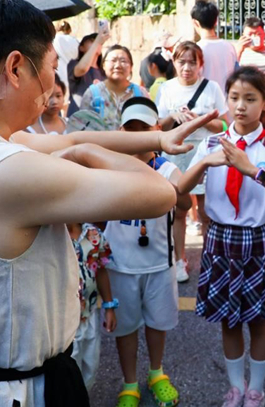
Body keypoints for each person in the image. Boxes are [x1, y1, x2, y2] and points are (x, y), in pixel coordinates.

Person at [0, 0, 217, 406]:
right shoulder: (5, 170)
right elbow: (160, 193)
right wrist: (83, 158)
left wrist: (156, 138)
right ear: (15, 68)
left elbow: (71, 137)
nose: (50, 87)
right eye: (49, 69)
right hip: (8, 393)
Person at [178, 66, 265, 407]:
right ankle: (235, 387)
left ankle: (256, 390)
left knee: (259, 320)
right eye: (234, 98)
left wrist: (251, 169)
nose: (241, 106)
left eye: (250, 98)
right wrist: (204, 164)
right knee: (228, 320)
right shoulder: (212, 143)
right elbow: (179, 190)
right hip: (219, 239)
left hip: (258, 239)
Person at [105, 97, 189, 407]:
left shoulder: (165, 167)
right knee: (125, 328)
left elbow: (186, 203)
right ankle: (129, 383)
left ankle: (156, 373)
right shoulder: (108, 164)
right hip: (120, 264)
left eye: (145, 128)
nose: (139, 135)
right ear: (120, 131)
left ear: (157, 129)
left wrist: (165, 179)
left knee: (158, 323)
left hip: (158, 263)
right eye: (132, 129)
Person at [157, 41, 229, 282]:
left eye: (192, 62)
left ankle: (210, 260)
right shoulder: (166, 88)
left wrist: (200, 120)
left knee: (208, 211)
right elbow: (158, 127)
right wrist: (172, 118)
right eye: (181, 61)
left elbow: (225, 125)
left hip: (206, 154)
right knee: (179, 210)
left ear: (201, 65)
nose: (186, 67)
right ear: (174, 63)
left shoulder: (212, 88)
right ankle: (179, 260)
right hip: (177, 155)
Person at [69, 221, 115, 390]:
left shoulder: (93, 234)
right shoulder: (48, 237)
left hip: (89, 314)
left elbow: (101, 270)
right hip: (63, 323)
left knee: (91, 365)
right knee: (69, 372)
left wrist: (109, 306)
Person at [78, 44, 148, 131]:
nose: (118, 65)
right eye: (113, 60)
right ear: (103, 65)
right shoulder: (92, 94)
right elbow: (82, 128)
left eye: (123, 61)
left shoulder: (141, 94)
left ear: (131, 67)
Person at [192, 0, 237, 93]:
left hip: (205, 102)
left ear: (195, 23)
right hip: (227, 102)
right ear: (216, 21)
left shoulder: (196, 49)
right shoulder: (229, 47)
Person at [68, 28, 108, 115]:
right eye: (91, 41)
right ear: (81, 48)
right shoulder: (74, 64)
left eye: (98, 42)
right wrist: (98, 41)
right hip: (78, 116)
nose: (96, 43)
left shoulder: (104, 72)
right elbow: (82, 69)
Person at [53, 21, 80, 91]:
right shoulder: (75, 41)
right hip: (72, 77)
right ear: (69, 30)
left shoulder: (52, 40)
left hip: (57, 77)